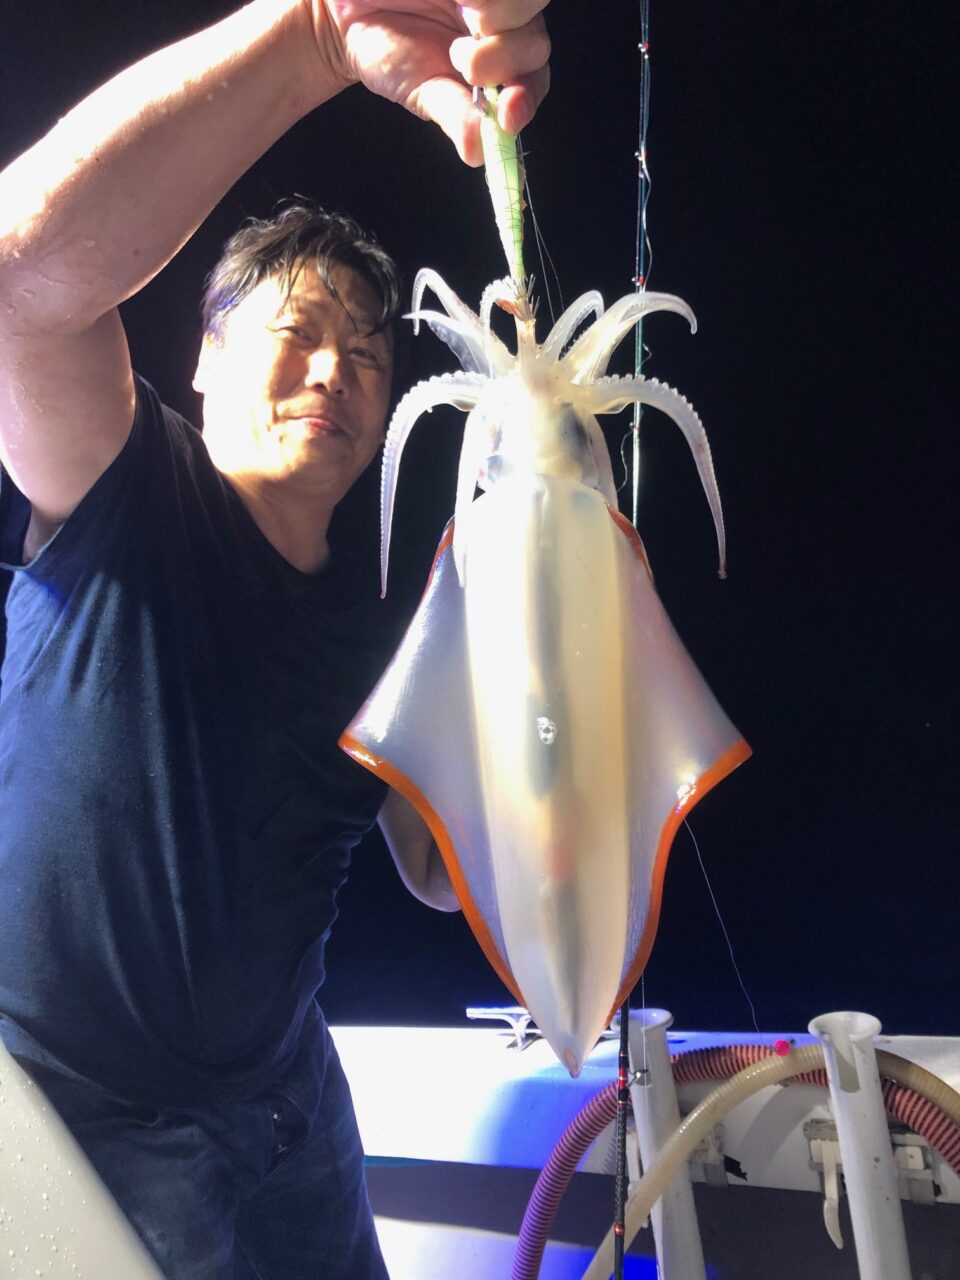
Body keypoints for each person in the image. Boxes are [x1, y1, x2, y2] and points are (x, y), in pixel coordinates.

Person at [0, 2, 551, 1277]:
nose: (334, 371)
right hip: (72, 1114)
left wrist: (548, 639)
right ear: (203, 361)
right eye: (297, 334)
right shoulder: (124, 491)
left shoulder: (398, 623)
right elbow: (20, 287)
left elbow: (442, 866)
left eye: (366, 354)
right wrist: (316, 32)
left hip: (292, 1107)